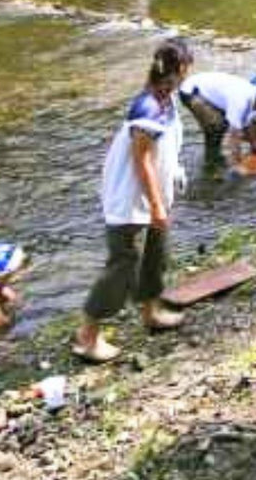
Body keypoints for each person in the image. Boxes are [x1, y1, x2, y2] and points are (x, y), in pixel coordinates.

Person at [73, 39, 191, 363]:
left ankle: (151, 312)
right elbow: (142, 161)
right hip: (131, 200)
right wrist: (155, 205)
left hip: (153, 195)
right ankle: (87, 336)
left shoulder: (166, 100)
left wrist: (166, 191)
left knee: (156, 255)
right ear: (180, 70)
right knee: (122, 266)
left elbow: (162, 151)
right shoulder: (147, 107)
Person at [178, 70, 256, 157]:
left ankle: (215, 154)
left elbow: (247, 124)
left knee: (250, 126)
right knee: (217, 127)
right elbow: (234, 134)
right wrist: (238, 160)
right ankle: (212, 160)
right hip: (191, 91)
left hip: (212, 92)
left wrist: (254, 146)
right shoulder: (241, 100)